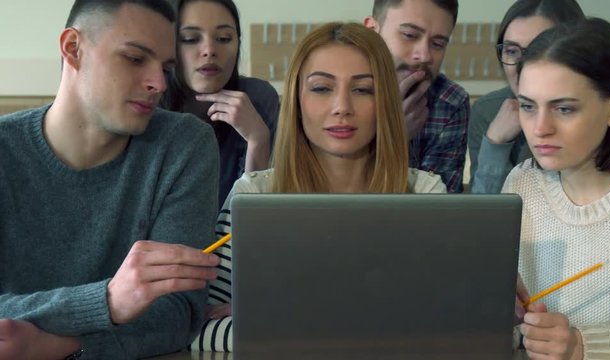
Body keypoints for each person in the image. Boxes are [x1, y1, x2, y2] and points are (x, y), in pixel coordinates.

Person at [189, 22, 447, 352]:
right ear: (297, 99)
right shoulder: (253, 196)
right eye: (322, 88)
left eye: (363, 90)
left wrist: (277, 318)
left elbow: (450, 326)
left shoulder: (426, 195)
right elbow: (199, 330)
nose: (342, 107)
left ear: (385, 103)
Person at [0, 1, 221, 359]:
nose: (159, 84)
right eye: (135, 58)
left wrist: (62, 346)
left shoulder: (184, 146)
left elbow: (179, 312)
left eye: (166, 67)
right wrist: (107, 301)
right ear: (73, 49)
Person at [504, 18, 610, 359]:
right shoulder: (522, 184)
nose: (540, 128)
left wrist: (582, 345)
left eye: (563, 109)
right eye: (527, 106)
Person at [161, 0, 279, 209]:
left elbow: (255, 222)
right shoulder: (151, 102)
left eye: (224, 38)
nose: (209, 50)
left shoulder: (259, 98)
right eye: (191, 39)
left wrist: (258, 141)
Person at [468, 0, 584, 193]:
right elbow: (485, 214)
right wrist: (495, 144)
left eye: (537, 49)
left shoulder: (592, 108)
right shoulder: (488, 110)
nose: (522, 66)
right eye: (512, 51)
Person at [363, 0, 469, 193]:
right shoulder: (333, 89)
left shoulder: (449, 102)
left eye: (437, 44)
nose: (425, 55)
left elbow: (436, 212)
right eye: (409, 36)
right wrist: (392, 137)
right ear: (372, 32)